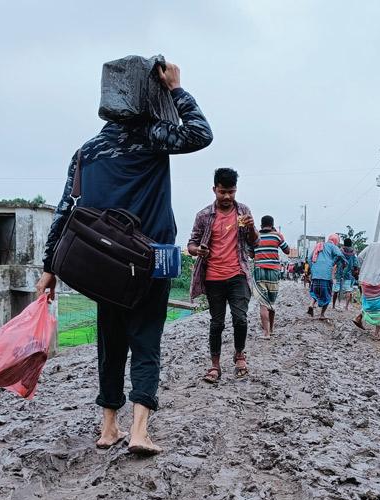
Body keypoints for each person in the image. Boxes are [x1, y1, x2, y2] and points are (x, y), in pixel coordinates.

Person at [36, 58, 213, 456]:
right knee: (146, 341)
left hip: (103, 268)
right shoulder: (152, 136)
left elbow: (64, 209)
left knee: (110, 342)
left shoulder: (87, 151)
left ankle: (107, 427)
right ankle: (139, 431)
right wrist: (177, 88)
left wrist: (49, 269)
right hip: (150, 262)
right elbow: (200, 133)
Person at [188, 168, 259, 383]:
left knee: (240, 319)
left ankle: (239, 355)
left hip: (238, 274)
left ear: (235, 190)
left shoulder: (243, 212)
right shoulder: (203, 216)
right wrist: (197, 250)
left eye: (231, 192)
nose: (227, 196)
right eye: (222, 192)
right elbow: (191, 243)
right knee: (216, 323)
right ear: (214, 190)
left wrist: (252, 227)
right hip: (213, 277)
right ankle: (215, 365)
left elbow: (254, 243)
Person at [251, 215, 290, 339]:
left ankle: (266, 333)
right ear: (272, 224)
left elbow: (251, 254)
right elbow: (287, 251)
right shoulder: (277, 236)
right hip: (273, 272)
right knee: (271, 303)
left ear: (261, 225)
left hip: (259, 271)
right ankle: (271, 329)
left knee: (263, 303)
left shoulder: (255, 236)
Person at [307, 233, 347, 320]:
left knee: (315, 292)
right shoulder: (332, 246)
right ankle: (322, 315)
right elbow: (340, 255)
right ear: (336, 241)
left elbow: (309, 259)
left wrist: (313, 268)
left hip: (316, 274)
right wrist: (338, 263)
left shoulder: (319, 246)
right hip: (326, 275)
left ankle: (311, 305)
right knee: (327, 295)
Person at [337, 237, 359, 310]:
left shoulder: (340, 251)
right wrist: (355, 271)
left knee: (339, 289)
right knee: (348, 290)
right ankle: (346, 306)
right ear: (351, 244)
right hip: (349, 274)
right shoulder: (353, 253)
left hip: (340, 273)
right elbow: (356, 264)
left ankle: (338, 304)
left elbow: (336, 260)